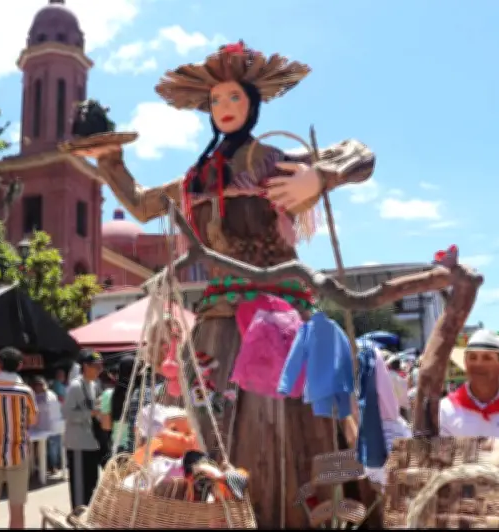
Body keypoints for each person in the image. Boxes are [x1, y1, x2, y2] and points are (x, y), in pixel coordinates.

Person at [74, 40, 374, 528]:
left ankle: (295, 515)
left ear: (252, 104)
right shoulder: (196, 176)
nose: (224, 108)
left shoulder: (272, 158)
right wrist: (110, 159)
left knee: (291, 433)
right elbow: (144, 204)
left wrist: (319, 176)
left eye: (234, 98)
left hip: (279, 323)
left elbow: (362, 155)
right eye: (216, 101)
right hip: (216, 324)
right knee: (197, 434)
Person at [0, 348, 37, 530]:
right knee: (17, 507)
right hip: (17, 451)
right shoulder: (25, 392)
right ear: (20, 365)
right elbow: (32, 420)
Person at [63, 350, 104, 510]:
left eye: (101, 367)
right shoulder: (75, 386)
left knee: (92, 483)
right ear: (85, 366)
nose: (99, 370)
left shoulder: (94, 385)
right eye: (96, 367)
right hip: (78, 444)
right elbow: (66, 413)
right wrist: (90, 413)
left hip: (92, 442)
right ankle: (77, 516)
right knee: (79, 487)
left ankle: (87, 515)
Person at [32, 376, 64, 476]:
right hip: (49, 426)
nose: (38, 387)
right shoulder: (46, 394)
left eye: (40, 385)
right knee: (52, 448)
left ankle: (53, 466)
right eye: (37, 385)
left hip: (50, 426)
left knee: (53, 448)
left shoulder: (46, 395)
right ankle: (52, 466)